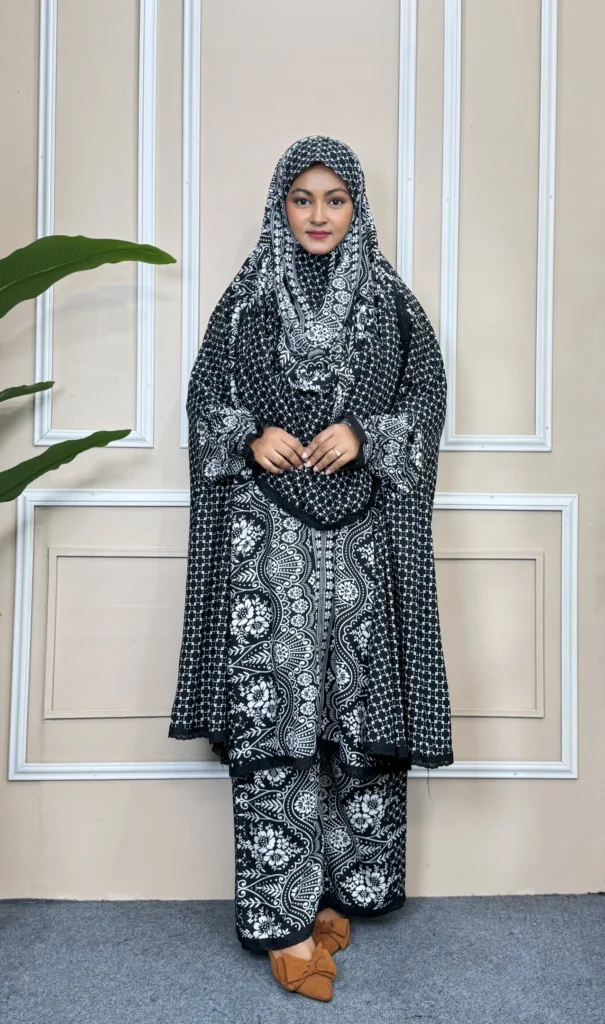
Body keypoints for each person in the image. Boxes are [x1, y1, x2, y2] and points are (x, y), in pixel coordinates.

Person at [168, 135, 454, 1002]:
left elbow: (426, 396)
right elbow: (204, 399)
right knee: (277, 716)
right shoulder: (247, 300)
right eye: (302, 199)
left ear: (356, 207)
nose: (318, 215)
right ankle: (282, 923)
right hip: (267, 535)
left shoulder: (391, 303)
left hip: (365, 535)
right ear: (279, 206)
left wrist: (366, 433)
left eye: (335, 199)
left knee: (355, 717)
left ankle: (334, 893)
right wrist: (251, 434)